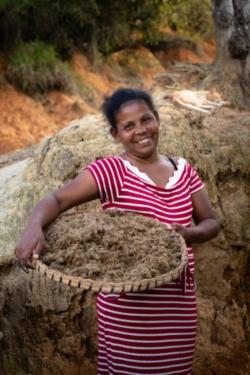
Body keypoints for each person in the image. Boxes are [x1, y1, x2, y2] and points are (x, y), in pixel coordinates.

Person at [16, 87, 220, 375]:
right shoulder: (112, 171)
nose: (141, 131)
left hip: (177, 304)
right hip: (128, 308)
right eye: (128, 126)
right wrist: (33, 227)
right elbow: (57, 200)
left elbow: (211, 223)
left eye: (146, 120)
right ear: (115, 134)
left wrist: (188, 234)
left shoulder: (184, 170)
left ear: (158, 119)